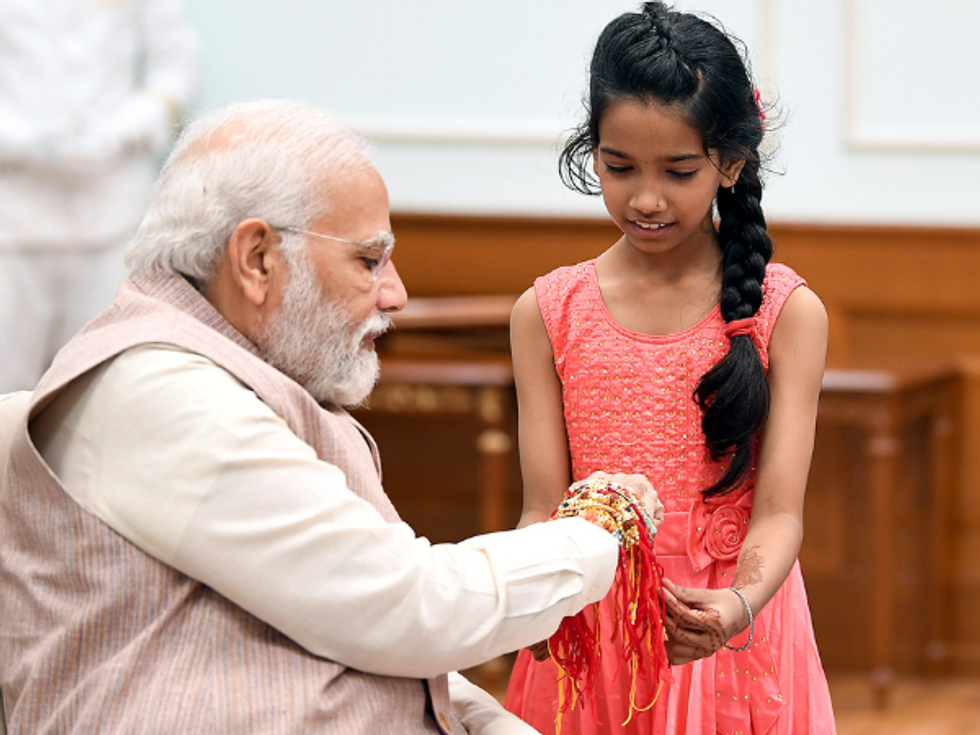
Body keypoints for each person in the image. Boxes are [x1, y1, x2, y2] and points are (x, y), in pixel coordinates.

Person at [0, 99, 667, 735]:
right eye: (368, 259)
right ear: (257, 258)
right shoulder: (156, 388)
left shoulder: (234, 376)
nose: (396, 293)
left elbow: (387, 642)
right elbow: (409, 607)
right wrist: (598, 528)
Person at [504, 3, 836, 733]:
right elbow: (541, 507)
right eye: (619, 167)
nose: (645, 198)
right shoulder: (547, 312)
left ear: (731, 161)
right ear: (592, 150)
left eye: (678, 171)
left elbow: (778, 513)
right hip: (590, 635)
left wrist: (735, 604)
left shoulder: (786, 313)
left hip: (728, 635)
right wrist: (521, 603)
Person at [0, 0, 198, 393]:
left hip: (113, 211)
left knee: (101, 383)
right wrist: (19, 140)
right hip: (15, 215)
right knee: (7, 383)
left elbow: (176, 68)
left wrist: (124, 130)